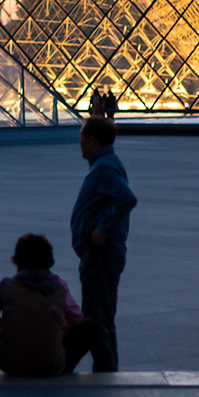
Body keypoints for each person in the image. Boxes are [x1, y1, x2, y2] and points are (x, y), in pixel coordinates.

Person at [70, 116, 138, 372]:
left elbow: (127, 198)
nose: (80, 144)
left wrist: (102, 228)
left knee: (96, 317)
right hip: (103, 253)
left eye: (82, 139)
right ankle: (108, 369)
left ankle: (106, 371)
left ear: (93, 140)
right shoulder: (106, 163)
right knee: (104, 315)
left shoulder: (104, 167)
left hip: (101, 254)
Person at [0, 233, 101, 376]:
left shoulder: (7, 285)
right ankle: (65, 368)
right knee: (89, 326)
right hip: (51, 366)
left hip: (11, 365)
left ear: (17, 259)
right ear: (49, 259)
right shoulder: (59, 285)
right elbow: (78, 320)